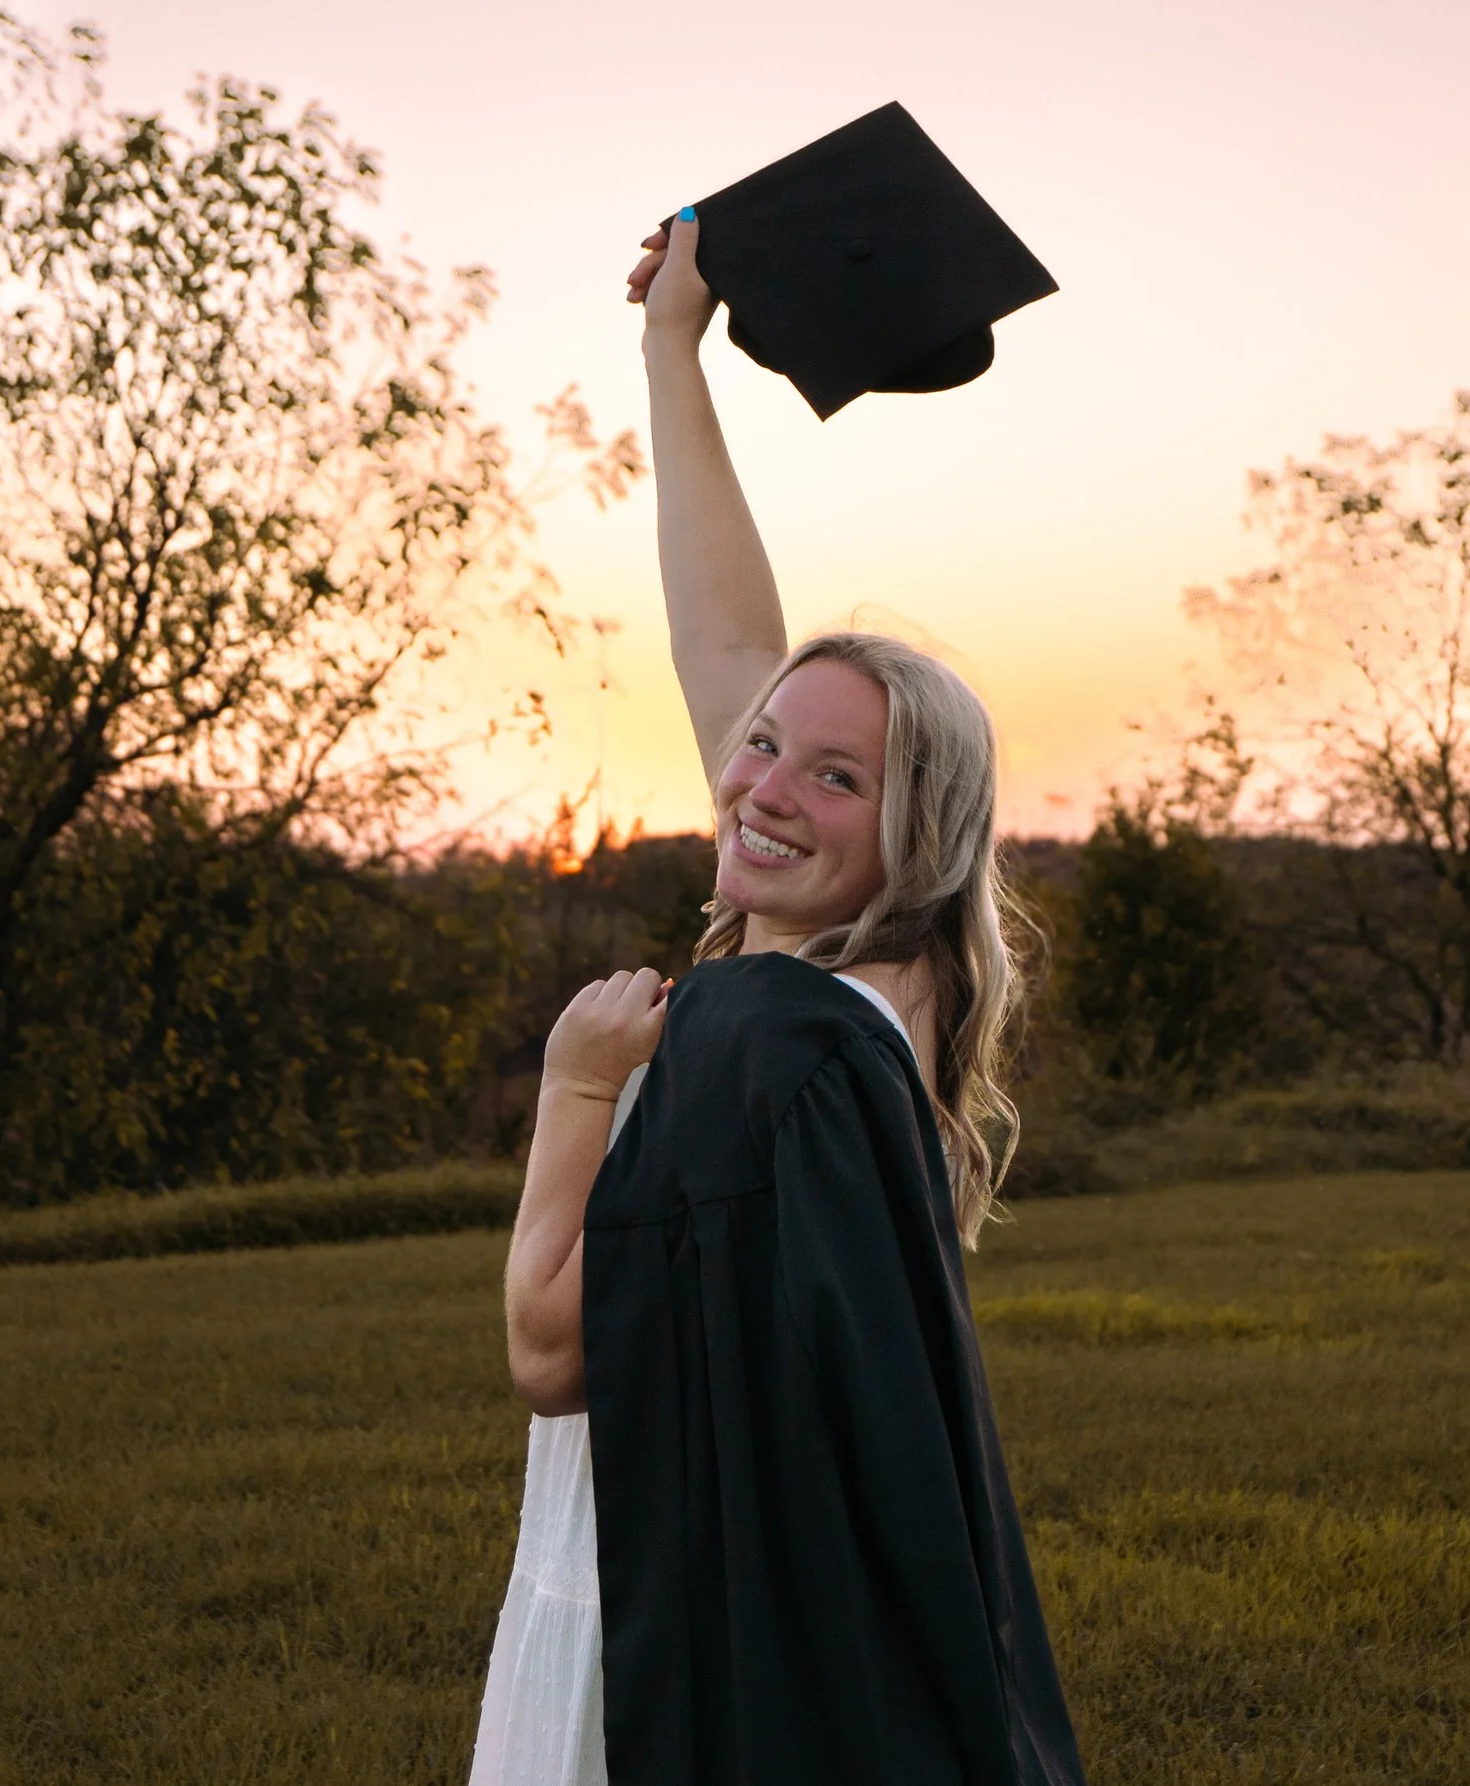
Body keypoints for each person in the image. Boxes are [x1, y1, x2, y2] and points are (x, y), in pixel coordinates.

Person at [469, 211, 1083, 1786]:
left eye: (834, 774)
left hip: (679, 1593)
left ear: (916, 834)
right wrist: (673, 349)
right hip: (647, 1534)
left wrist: (579, 1087)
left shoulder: (787, 1037)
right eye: (762, 744)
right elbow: (724, 633)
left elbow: (550, 1345)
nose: (760, 785)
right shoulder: (837, 980)